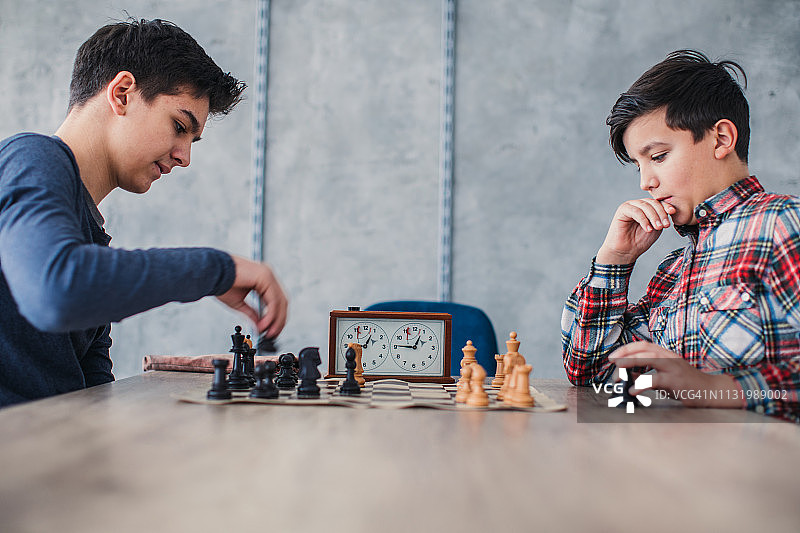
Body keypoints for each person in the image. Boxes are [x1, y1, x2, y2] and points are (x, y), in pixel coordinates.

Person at [0, 19, 288, 407]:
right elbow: (56, 293)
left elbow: (93, 395)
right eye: (179, 126)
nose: (184, 157)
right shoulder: (30, 157)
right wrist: (216, 270)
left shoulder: (90, 240)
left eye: (193, 140)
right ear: (122, 94)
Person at [561, 50, 799, 423]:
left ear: (721, 138)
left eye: (658, 157)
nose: (645, 182)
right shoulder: (674, 272)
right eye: (638, 166)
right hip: (678, 456)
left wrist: (717, 388)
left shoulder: (783, 226)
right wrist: (613, 261)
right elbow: (591, 375)